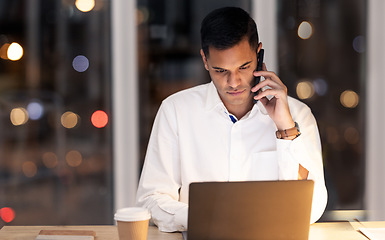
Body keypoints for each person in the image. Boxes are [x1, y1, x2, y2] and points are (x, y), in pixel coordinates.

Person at [136, 7, 327, 232]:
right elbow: (150, 199)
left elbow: (311, 210)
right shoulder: (175, 111)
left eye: (244, 67)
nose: (234, 82)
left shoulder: (298, 115)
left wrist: (286, 129)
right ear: (205, 60)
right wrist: (204, 217)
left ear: (259, 54)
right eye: (220, 70)